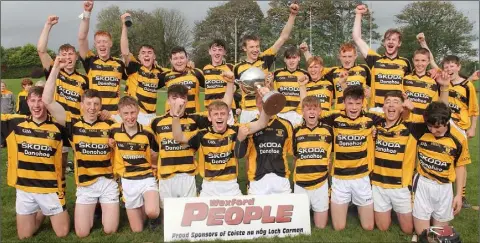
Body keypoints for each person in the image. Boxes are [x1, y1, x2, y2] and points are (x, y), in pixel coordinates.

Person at [43, 56, 119, 238]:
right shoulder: (73, 124)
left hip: (108, 182)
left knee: (110, 230)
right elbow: (47, 101)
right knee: (82, 233)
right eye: (89, 104)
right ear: (81, 105)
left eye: (96, 104)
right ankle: (93, 209)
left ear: (101, 106)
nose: (92, 108)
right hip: (85, 185)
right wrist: (55, 68)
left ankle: (104, 209)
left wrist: (114, 141)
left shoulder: (110, 125)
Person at [172, 72, 271, 196]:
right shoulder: (202, 135)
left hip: (231, 186)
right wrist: (175, 116)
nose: (219, 117)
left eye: (223, 114)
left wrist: (267, 100)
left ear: (228, 116)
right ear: (209, 117)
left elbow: (262, 123)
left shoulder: (236, 130)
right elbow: (178, 137)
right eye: (216, 114)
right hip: (209, 187)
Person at [1, 86, 70, 239]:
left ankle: (43, 211)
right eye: (33, 101)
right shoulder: (15, 123)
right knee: (24, 236)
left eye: (40, 101)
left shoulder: (58, 127)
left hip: (50, 189)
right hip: (25, 188)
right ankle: (40, 211)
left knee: (62, 233)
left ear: (46, 104)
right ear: (27, 102)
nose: (37, 105)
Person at [318, 85, 387, 231]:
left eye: (357, 103)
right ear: (344, 103)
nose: (354, 107)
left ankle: (356, 202)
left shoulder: (370, 118)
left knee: (368, 227)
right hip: (340, 177)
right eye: (350, 103)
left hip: (361, 177)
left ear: (363, 103)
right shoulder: (335, 117)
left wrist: (377, 130)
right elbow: (312, 114)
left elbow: (392, 119)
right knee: (338, 227)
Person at [37, 14, 89, 190]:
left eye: (71, 54)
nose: (68, 57)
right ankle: (59, 200)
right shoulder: (54, 71)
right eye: (64, 54)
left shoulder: (84, 78)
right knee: (58, 164)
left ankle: (89, 201)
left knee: (84, 165)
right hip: (57, 124)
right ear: (59, 57)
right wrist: (48, 25)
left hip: (76, 126)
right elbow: (41, 50)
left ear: (76, 57)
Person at [233, 1, 299, 123]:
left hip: (263, 109)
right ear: (244, 48)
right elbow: (233, 90)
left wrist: (292, 15)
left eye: (257, 46)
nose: (255, 50)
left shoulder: (265, 58)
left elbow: (283, 38)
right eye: (252, 47)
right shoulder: (237, 67)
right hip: (247, 112)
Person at [109, 96, 160, 232]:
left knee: (152, 212)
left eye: (132, 113)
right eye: (126, 113)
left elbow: (155, 153)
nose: (130, 117)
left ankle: (153, 213)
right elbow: (108, 145)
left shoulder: (148, 132)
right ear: (119, 114)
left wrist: (154, 166)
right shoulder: (113, 130)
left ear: (138, 111)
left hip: (146, 178)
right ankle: (141, 203)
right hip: (128, 180)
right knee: (137, 229)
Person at [371, 91, 416, 234]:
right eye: (388, 102)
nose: (391, 105)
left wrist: (412, 108)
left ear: (402, 108)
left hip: (400, 186)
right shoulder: (376, 126)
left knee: (408, 230)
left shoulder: (411, 128)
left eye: (396, 102)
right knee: (383, 227)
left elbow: (435, 118)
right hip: (378, 184)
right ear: (383, 107)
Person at [352, 4, 411, 109]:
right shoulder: (375, 59)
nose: (390, 41)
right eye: (388, 39)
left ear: (399, 43)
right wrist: (358, 14)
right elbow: (357, 38)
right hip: (377, 110)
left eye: (394, 39)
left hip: (396, 110)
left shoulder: (405, 63)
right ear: (384, 42)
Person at [244, 71, 294, 195]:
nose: (265, 105)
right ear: (256, 104)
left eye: (267, 101)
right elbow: (246, 157)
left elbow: (293, 154)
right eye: (261, 102)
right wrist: (249, 180)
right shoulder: (250, 126)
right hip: (257, 179)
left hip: (281, 178)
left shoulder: (286, 125)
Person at [78, 0, 127, 116]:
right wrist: (87, 13)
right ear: (95, 45)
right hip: (94, 114)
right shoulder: (90, 60)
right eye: (99, 42)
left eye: (105, 41)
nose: (102, 44)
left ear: (110, 44)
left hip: (114, 116)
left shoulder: (119, 64)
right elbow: (81, 39)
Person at [292, 95, 333, 229]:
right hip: (300, 182)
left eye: (315, 109)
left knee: (321, 226)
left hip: (321, 182)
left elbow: (331, 156)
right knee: (300, 225)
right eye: (308, 109)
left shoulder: (328, 130)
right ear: (303, 112)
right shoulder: (296, 131)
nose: (311, 112)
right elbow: (295, 156)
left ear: (320, 111)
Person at [120, 12, 167, 125]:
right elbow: (125, 50)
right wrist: (124, 27)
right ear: (139, 57)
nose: (146, 55)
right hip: (134, 114)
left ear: (154, 56)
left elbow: (177, 71)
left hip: (151, 117)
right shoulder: (134, 67)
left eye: (150, 53)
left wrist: (188, 64)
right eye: (143, 53)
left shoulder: (160, 72)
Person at [268, 46, 310, 127]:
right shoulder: (276, 73)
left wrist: (306, 52)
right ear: (284, 59)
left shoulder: (304, 74)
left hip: (297, 114)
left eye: (294, 58)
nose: (291, 61)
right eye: (288, 58)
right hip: (280, 113)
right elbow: (272, 92)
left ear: (299, 58)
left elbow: (313, 64)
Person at [157, 46, 205, 114]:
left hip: (192, 119)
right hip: (172, 119)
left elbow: (213, 87)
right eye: (175, 58)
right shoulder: (166, 76)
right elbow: (147, 83)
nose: (179, 61)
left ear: (187, 58)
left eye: (182, 58)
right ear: (171, 60)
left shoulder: (196, 73)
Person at [203, 39, 236, 124]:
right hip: (210, 112)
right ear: (209, 52)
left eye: (220, 50)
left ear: (224, 52)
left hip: (226, 111)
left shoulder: (231, 68)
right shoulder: (204, 69)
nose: (217, 53)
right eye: (214, 50)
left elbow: (239, 87)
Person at [402, 48, 439, 122]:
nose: (419, 64)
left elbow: (433, 107)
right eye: (417, 60)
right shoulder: (405, 79)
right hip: (406, 122)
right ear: (413, 60)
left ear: (428, 62)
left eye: (423, 60)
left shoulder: (433, 82)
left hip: (424, 123)